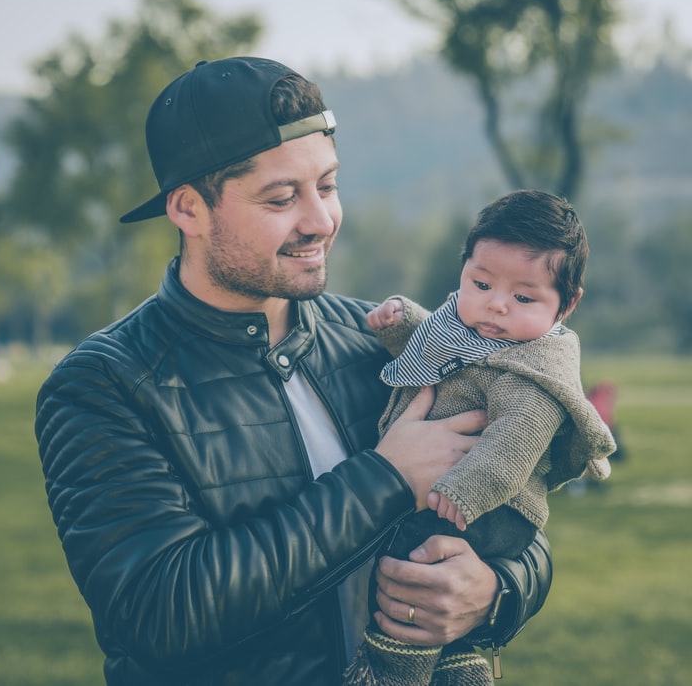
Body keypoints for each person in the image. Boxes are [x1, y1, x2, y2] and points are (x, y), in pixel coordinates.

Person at [34, 56, 554, 686]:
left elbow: (522, 515)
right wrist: (386, 478)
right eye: (282, 197)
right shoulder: (103, 386)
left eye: (327, 186)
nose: (321, 221)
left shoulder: (386, 342)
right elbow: (159, 613)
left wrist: (494, 591)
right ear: (189, 209)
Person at [343, 190, 616, 686]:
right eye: (481, 283)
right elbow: (440, 348)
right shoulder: (473, 328)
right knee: (440, 600)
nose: (496, 305)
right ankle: (463, 666)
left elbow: (515, 442)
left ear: (567, 305)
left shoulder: (531, 373)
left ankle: (390, 668)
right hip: (469, 504)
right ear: (464, 268)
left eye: (523, 297)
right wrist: (400, 324)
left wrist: (465, 491)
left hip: (489, 508)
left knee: (410, 571)